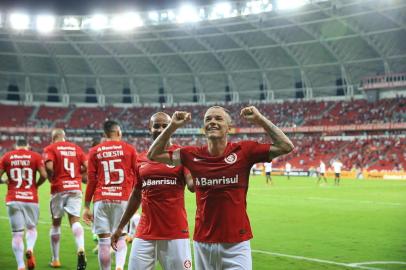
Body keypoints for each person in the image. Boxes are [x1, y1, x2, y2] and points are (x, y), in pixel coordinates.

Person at [147, 106, 294, 270]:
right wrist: (172, 126)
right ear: (204, 129)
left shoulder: (244, 151)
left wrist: (260, 119)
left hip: (236, 243)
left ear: (228, 128)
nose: (212, 122)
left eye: (218, 118)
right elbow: (153, 155)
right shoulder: (191, 154)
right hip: (203, 243)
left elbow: (286, 146)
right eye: (208, 119)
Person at [111, 112, 194, 270]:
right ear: (150, 128)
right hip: (145, 232)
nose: (161, 129)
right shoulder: (141, 159)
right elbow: (136, 195)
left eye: (165, 125)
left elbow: (192, 185)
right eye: (157, 125)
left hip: (175, 231)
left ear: (172, 127)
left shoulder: (181, 155)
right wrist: (120, 227)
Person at [83, 120, 138, 270]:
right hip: (122, 199)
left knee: (103, 242)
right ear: (119, 132)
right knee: (120, 237)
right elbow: (138, 175)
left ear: (105, 134)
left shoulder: (95, 151)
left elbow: (91, 181)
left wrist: (87, 206)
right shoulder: (130, 150)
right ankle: (119, 266)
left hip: (101, 198)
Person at [43, 129, 88, 269]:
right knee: (75, 220)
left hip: (59, 188)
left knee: (56, 223)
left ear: (53, 138)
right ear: (64, 137)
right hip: (75, 187)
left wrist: (52, 178)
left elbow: (49, 167)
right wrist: (76, 175)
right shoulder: (76, 148)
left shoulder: (50, 148)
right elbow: (87, 166)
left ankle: (55, 260)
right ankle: (80, 248)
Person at [0, 139, 47, 270]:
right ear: (27, 146)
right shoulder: (35, 156)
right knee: (31, 228)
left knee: (17, 234)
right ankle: (30, 249)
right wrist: (36, 185)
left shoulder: (7, 156)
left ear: (16, 146)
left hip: (13, 198)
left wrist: (4, 181)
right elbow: (44, 175)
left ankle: (20, 265)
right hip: (31, 198)